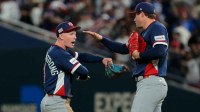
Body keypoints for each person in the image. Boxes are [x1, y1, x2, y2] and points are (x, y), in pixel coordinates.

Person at [84, 2, 168, 112]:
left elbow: (160, 50)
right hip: (151, 84)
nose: (134, 19)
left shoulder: (156, 27)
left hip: (151, 82)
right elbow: (123, 48)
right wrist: (101, 39)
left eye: (136, 15)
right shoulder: (144, 33)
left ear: (142, 14)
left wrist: (139, 55)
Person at [40, 21, 112, 112]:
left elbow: (82, 56)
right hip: (57, 103)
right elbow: (83, 71)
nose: (75, 36)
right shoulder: (60, 54)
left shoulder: (54, 50)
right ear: (61, 36)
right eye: (71, 34)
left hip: (48, 101)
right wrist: (83, 77)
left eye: (75, 34)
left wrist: (101, 59)